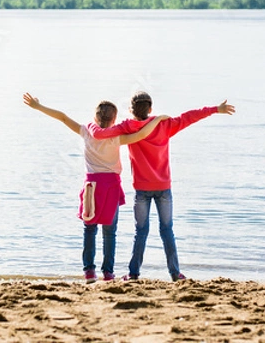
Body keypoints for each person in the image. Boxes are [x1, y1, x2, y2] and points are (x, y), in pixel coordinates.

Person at [86, 91, 235, 281]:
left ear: (131, 110)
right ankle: (175, 273)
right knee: (167, 230)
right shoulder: (165, 124)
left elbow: (102, 134)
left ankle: (133, 273)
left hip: (142, 189)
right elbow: (189, 117)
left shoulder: (128, 126)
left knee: (140, 232)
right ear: (150, 109)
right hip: (164, 187)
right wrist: (215, 109)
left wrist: (90, 126)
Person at [23, 93, 169, 283]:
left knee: (89, 230)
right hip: (111, 187)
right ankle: (108, 273)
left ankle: (89, 272)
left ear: (95, 117)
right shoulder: (117, 138)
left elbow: (63, 117)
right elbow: (142, 134)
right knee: (110, 232)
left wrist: (38, 106)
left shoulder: (86, 132)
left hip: (92, 186)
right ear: (114, 119)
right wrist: (157, 119)